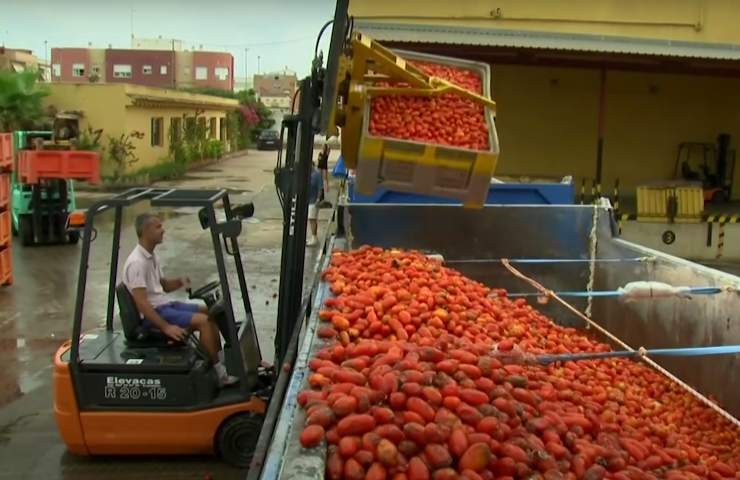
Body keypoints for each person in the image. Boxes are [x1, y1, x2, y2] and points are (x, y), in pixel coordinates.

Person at [122, 213, 238, 387]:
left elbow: (164, 286)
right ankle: (219, 375)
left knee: (211, 312)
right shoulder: (137, 263)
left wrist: (180, 281)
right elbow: (142, 303)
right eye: (158, 227)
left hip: (164, 305)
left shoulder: (151, 256)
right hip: (153, 315)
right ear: (146, 231)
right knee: (204, 322)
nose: (163, 230)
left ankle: (219, 361)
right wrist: (166, 327)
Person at [307, 161, 323, 247]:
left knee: (312, 219)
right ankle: (313, 237)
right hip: (308, 200)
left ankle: (314, 237)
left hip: (314, 201)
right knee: (311, 219)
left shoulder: (316, 175)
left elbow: (320, 188)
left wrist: (318, 199)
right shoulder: (307, 175)